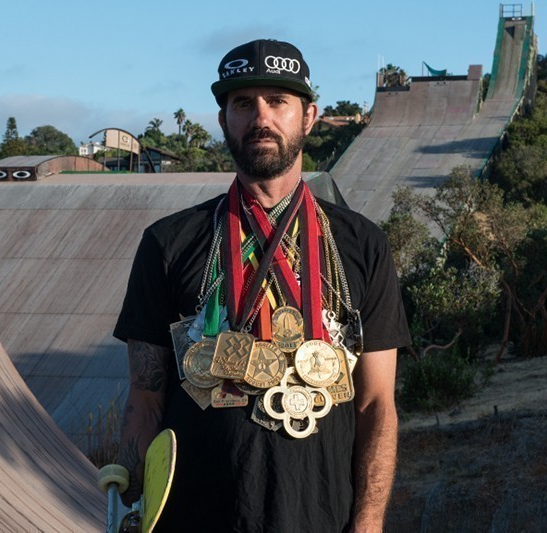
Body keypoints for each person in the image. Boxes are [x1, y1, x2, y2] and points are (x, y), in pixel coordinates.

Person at [114, 39, 410, 532]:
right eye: (242, 103)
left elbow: (376, 404)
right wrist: (127, 497)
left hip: (322, 517)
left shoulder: (363, 245)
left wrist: (369, 523)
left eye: (278, 101)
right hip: (194, 520)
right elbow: (145, 396)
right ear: (223, 120)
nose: (260, 117)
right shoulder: (168, 243)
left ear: (309, 116)